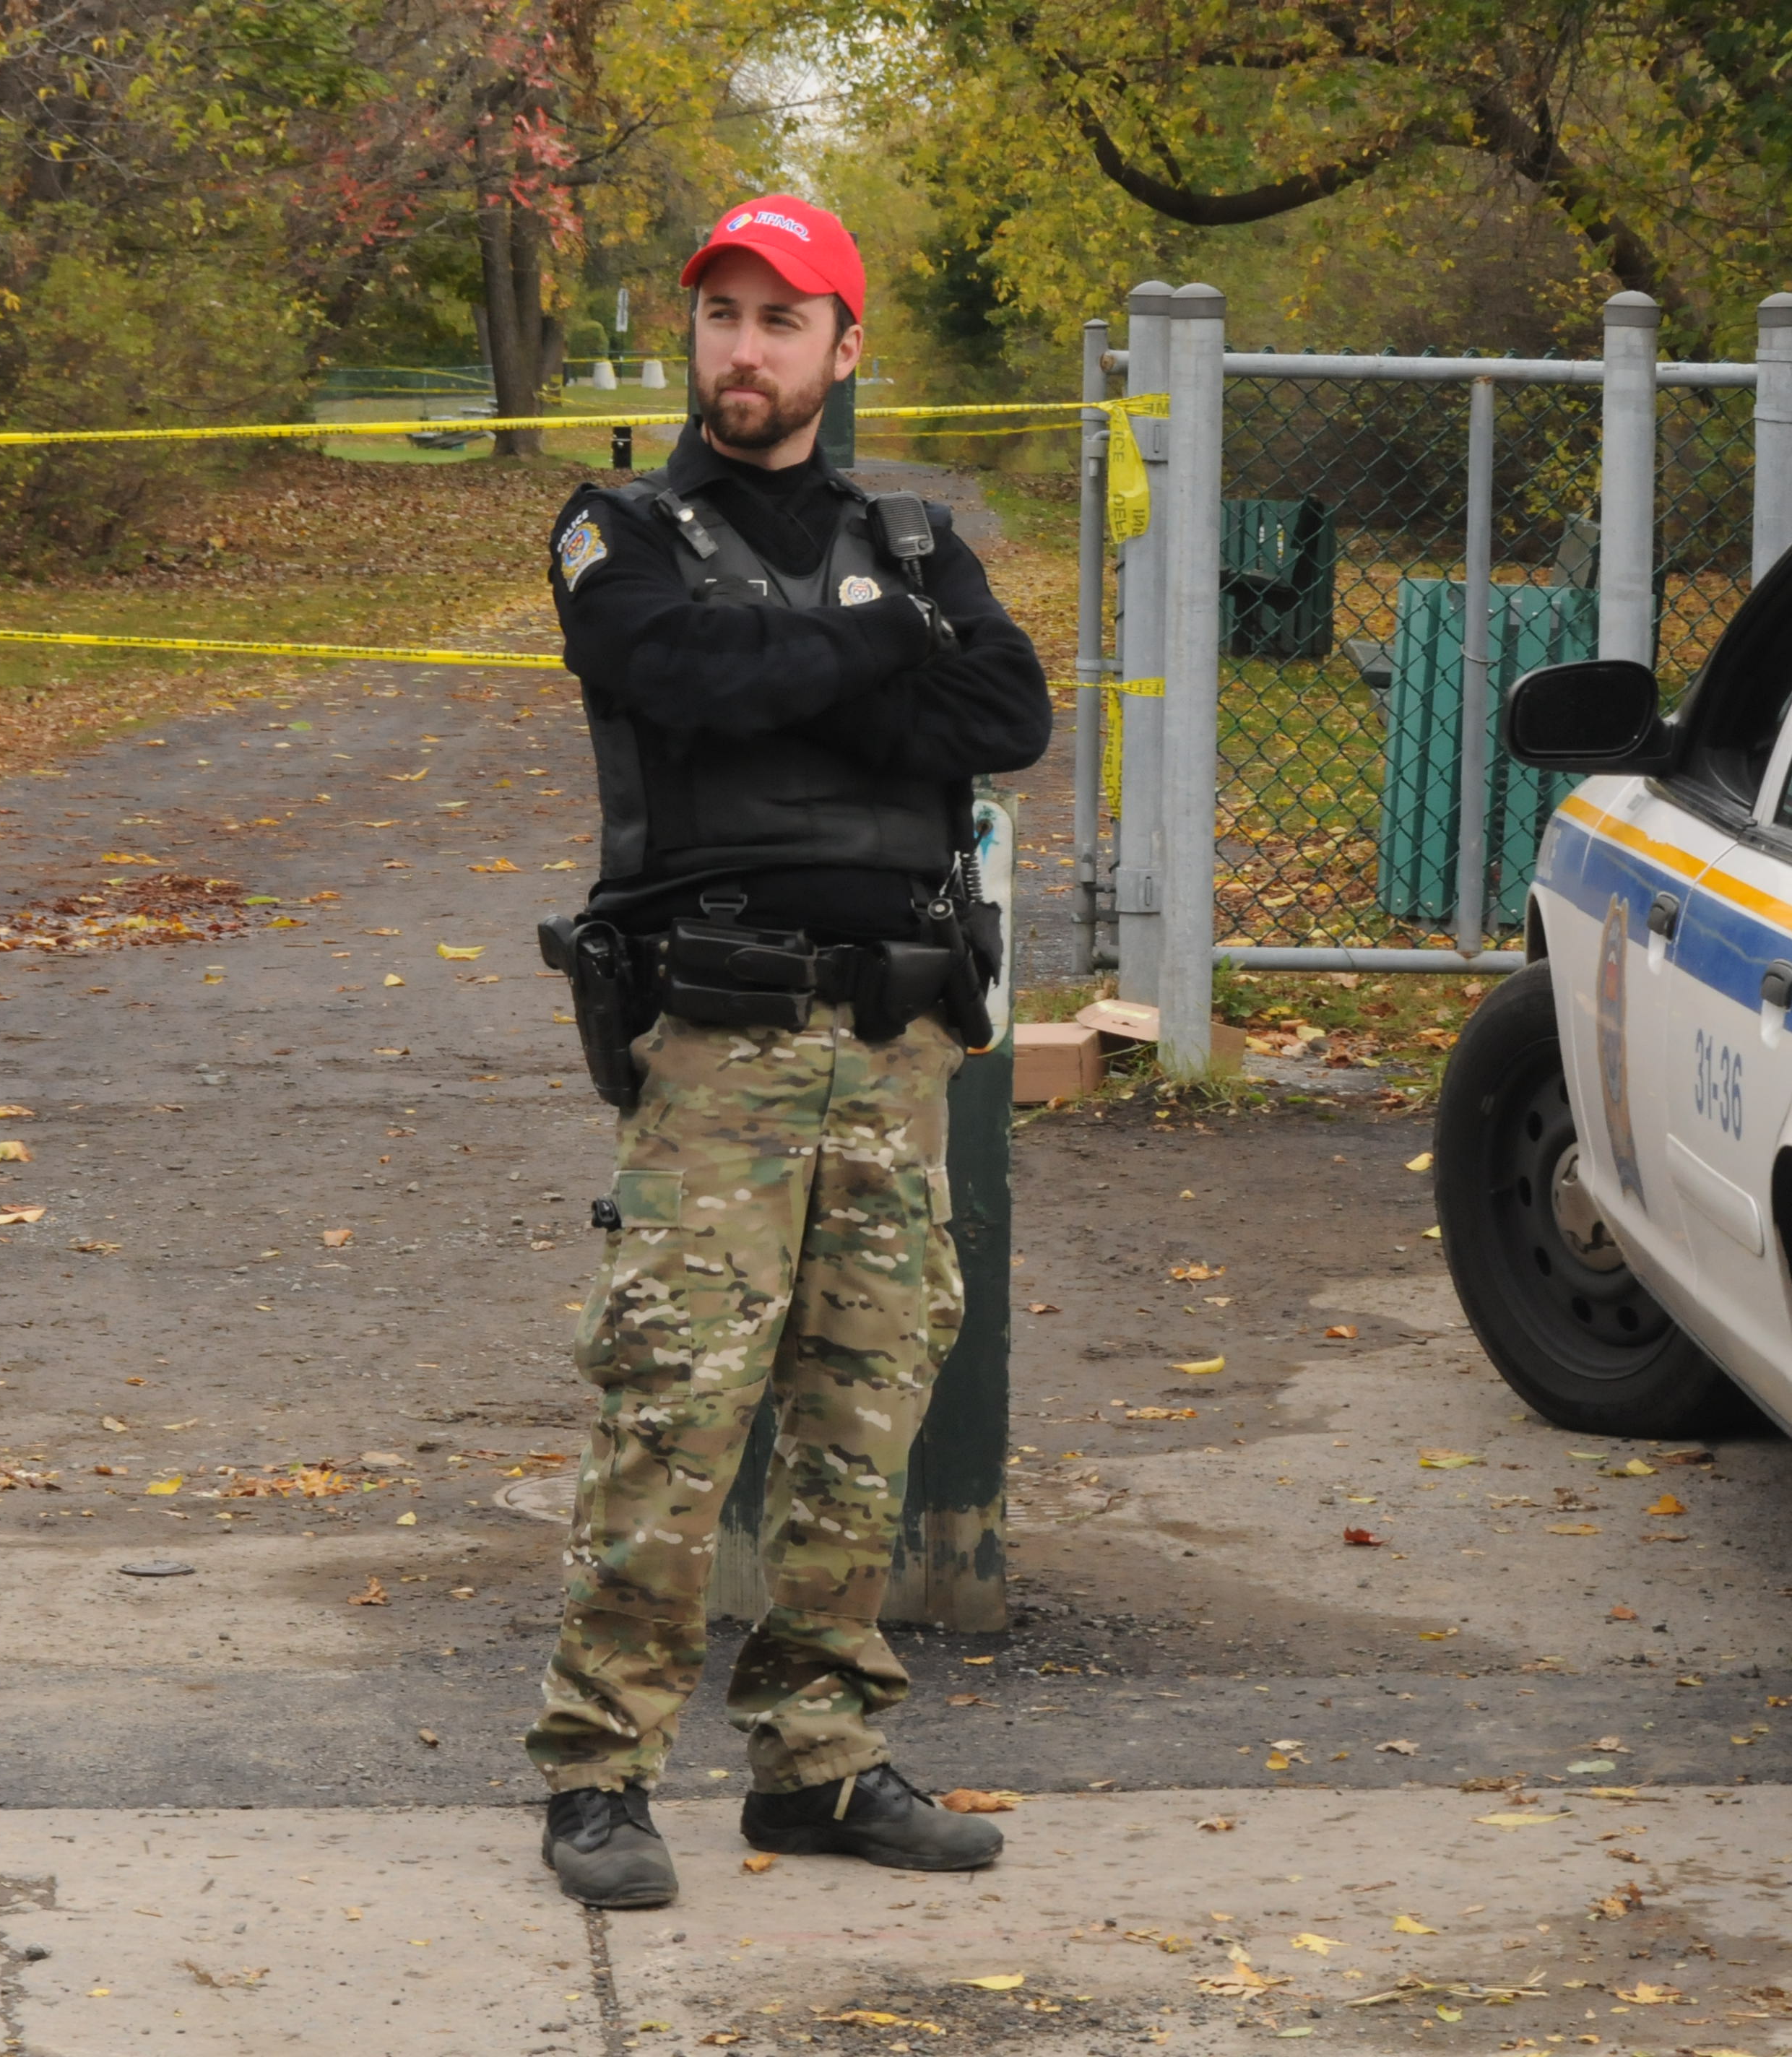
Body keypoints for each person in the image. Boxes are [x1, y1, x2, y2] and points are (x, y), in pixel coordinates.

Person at [521, 194, 1050, 1909]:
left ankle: (817, 1762)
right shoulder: (623, 526)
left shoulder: (909, 534)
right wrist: (881, 655)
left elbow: (1006, 716)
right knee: (673, 1407)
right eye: (720, 316)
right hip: (723, 1045)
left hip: (897, 1049)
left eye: (778, 318)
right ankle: (598, 1772)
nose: (740, 349)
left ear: (843, 346)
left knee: (859, 1409)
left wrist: (821, 658)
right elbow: (670, 670)